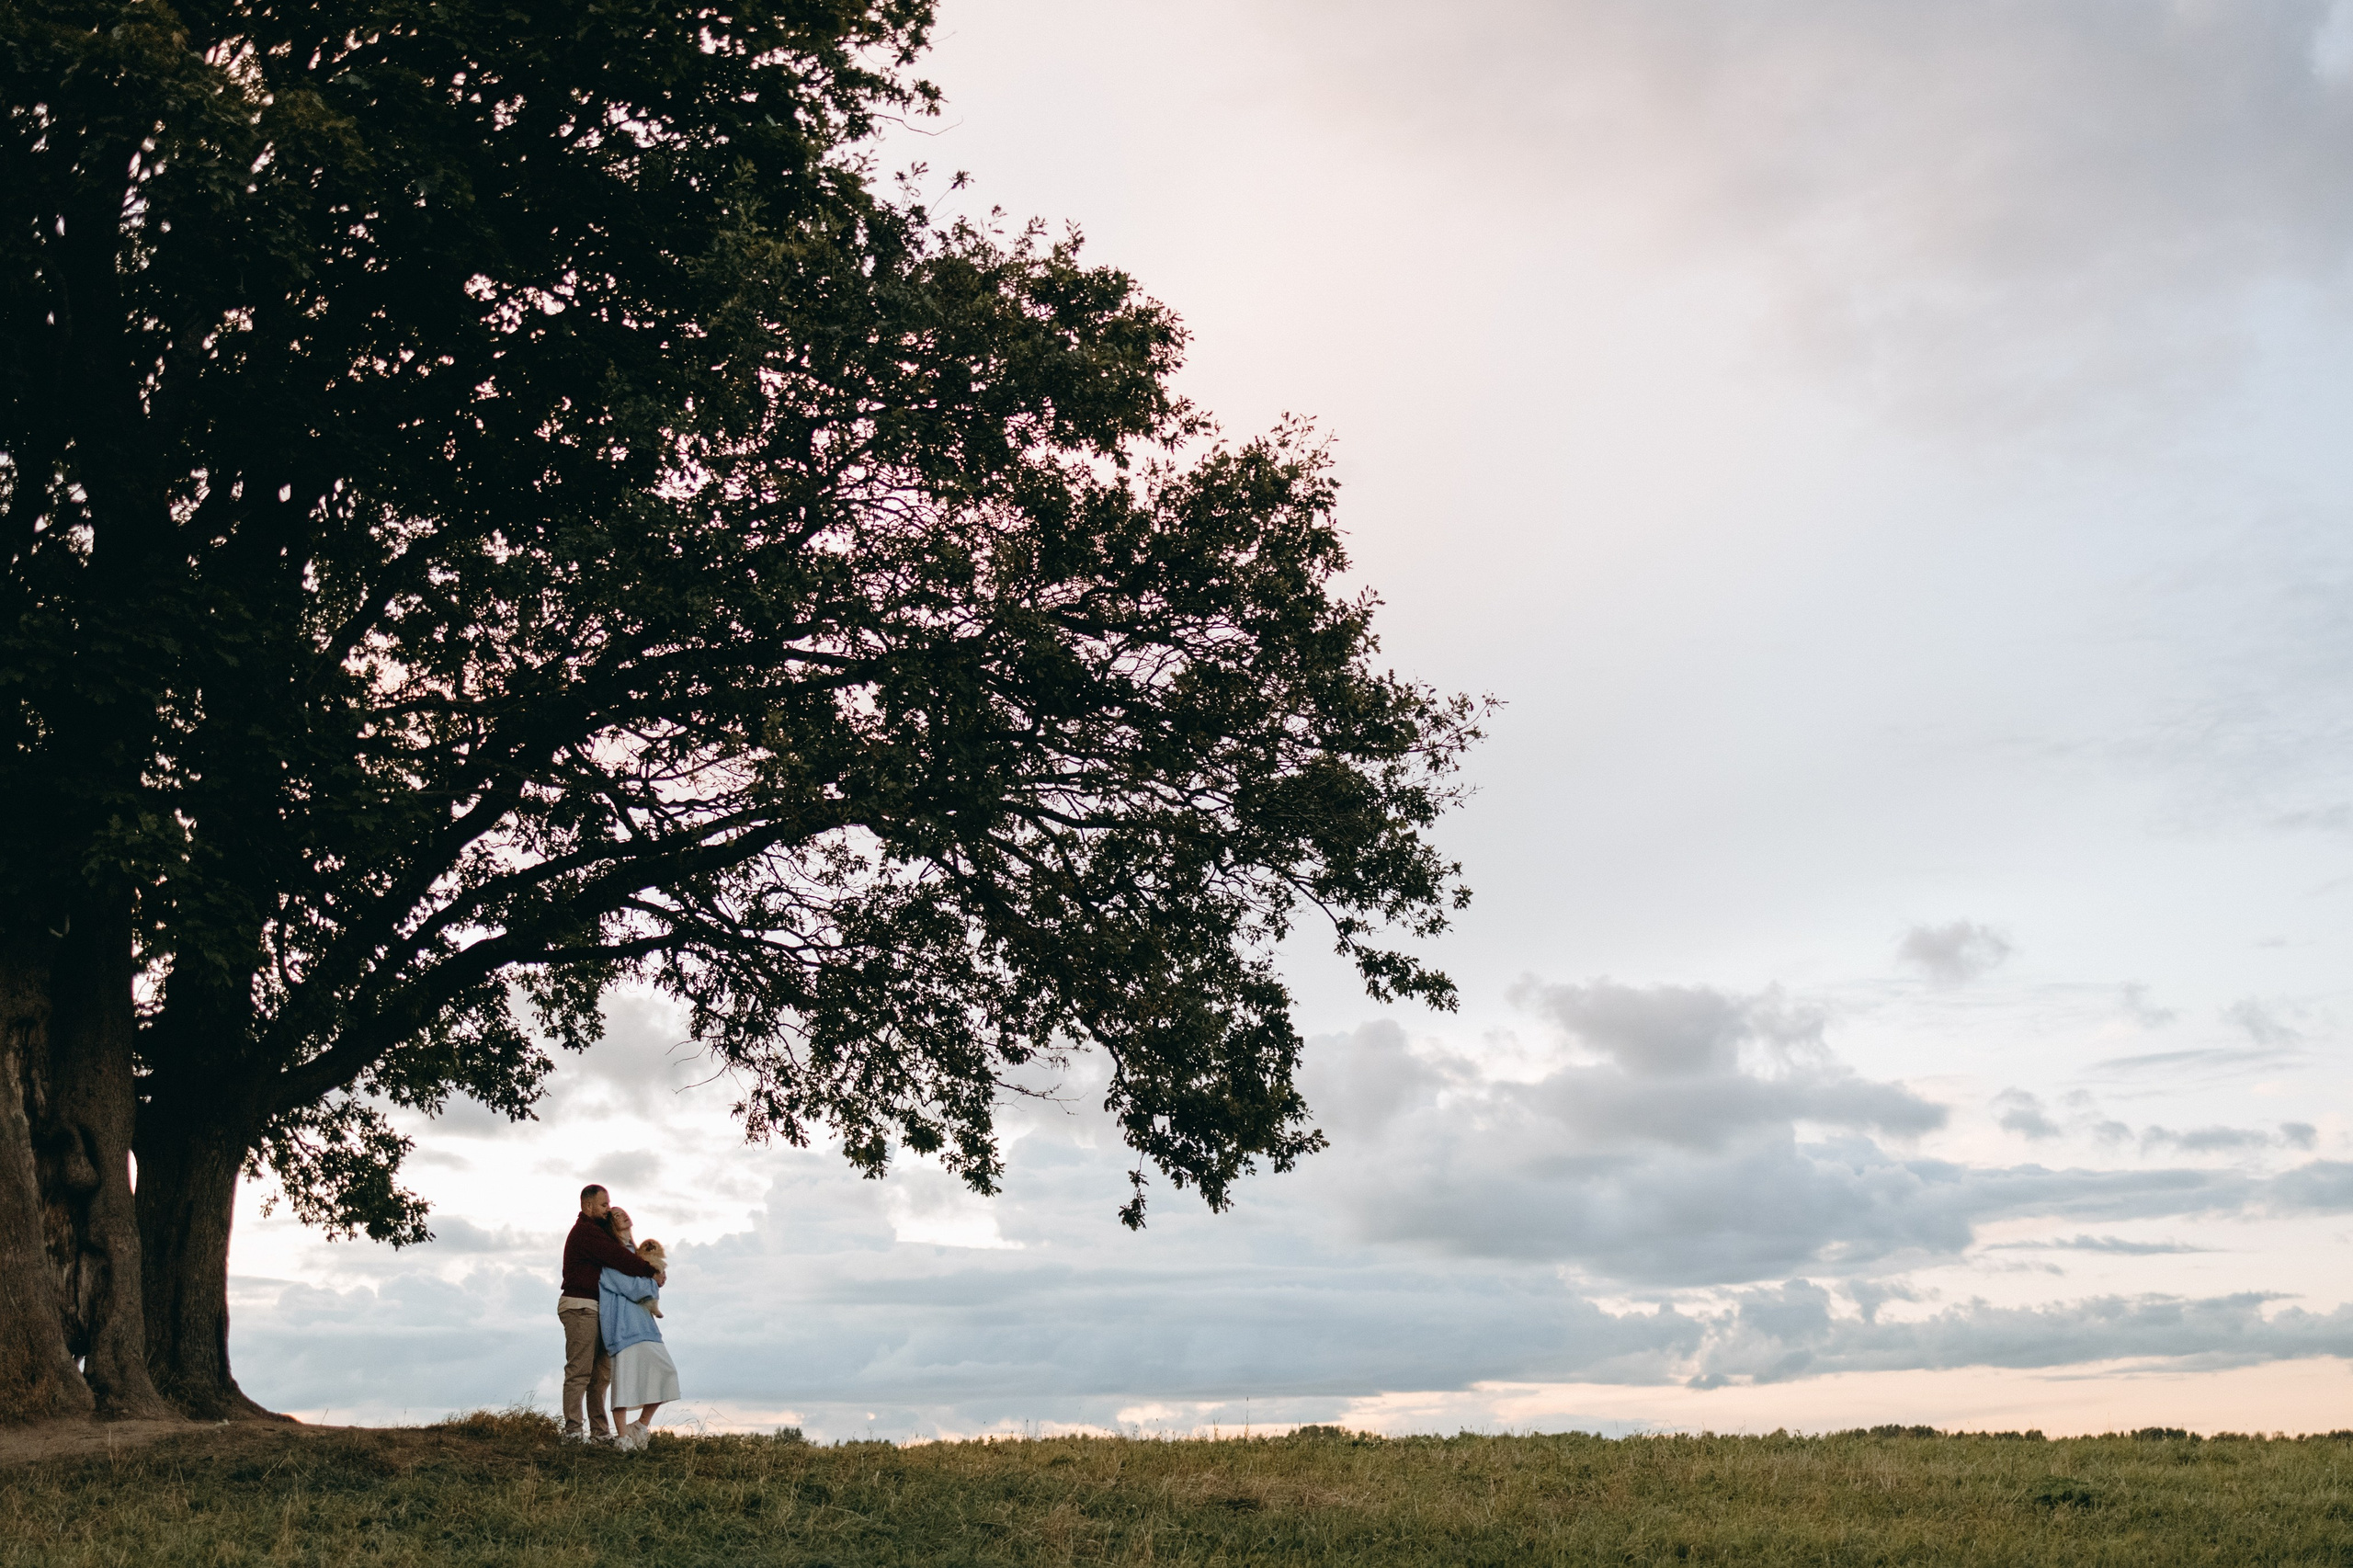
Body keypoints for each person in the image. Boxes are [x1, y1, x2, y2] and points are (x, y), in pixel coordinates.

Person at [559, 1184, 661, 1443]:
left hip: (599, 1309)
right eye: (604, 1205)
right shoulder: (585, 1233)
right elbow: (617, 1257)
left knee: (600, 1375)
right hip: (580, 1305)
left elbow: (621, 1254)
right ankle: (572, 1431)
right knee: (580, 1371)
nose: (607, 1209)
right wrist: (650, 1271)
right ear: (588, 1206)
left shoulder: (597, 1231)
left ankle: (600, 1433)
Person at [600, 1207, 682, 1451]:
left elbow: (646, 1288)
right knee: (623, 1382)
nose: (622, 1215)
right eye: (615, 1215)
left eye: (623, 1212)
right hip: (623, 1327)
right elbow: (634, 1289)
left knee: (667, 1373)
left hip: (645, 1325)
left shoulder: (638, 1256)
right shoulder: (611, 1256)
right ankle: (622, 1437)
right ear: (610, 1225)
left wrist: (653, 1281)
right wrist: (652, 1281)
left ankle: (641, 1426)